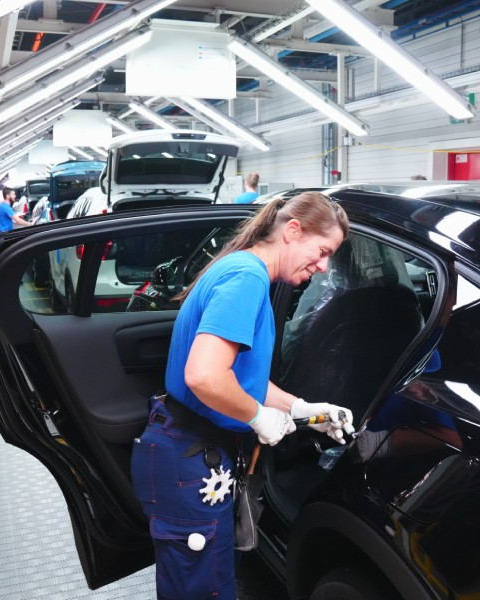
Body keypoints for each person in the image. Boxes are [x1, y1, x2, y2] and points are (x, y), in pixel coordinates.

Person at [130, 192, 356, 600]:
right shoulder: (247, 279)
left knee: (206, 582)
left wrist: (300, 408)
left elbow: (240, 378)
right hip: (190, 458)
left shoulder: (244, 272)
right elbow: (204, 375)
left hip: (188, 454)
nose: (323, 267)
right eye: (323, 251)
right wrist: (257, 417)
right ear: (292, 231)